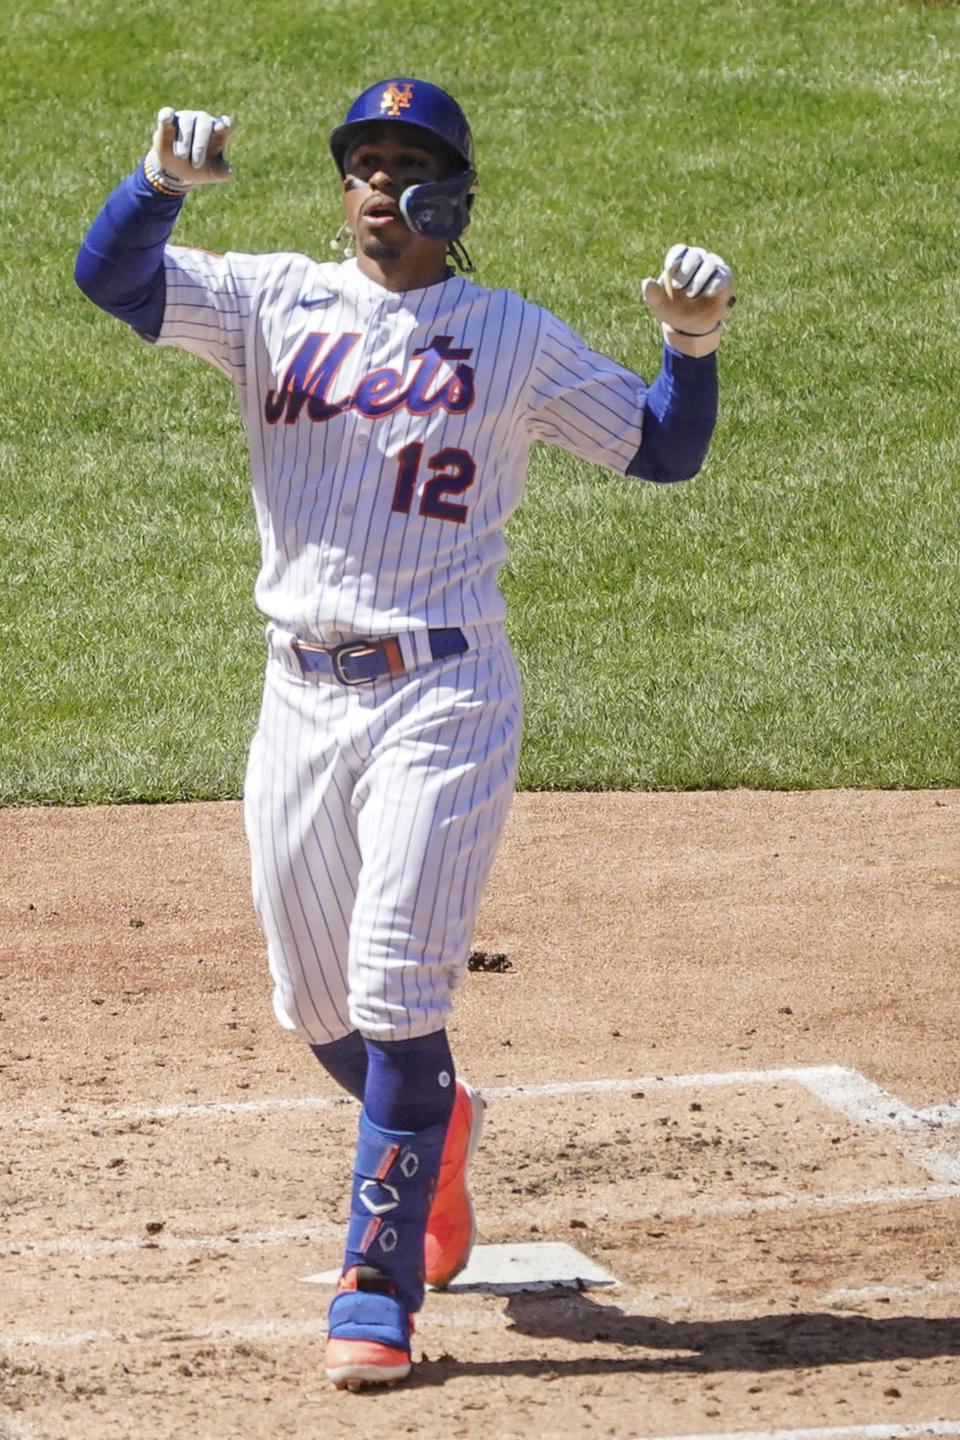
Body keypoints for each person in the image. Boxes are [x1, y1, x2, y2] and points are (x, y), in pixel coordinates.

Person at [74, 78, 735, 1389]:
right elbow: (113, 281)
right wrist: (154, 185)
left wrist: (692, 345)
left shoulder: (510, 334)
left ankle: (373, 1290)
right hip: (301, 693)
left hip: (444, 694)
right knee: (314, 1001)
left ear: (452, 196)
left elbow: (660, 451)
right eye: (361, 164)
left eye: (405, 165)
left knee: (390, 985)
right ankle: (439, 1125)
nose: (377, 185)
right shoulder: (270, 300)